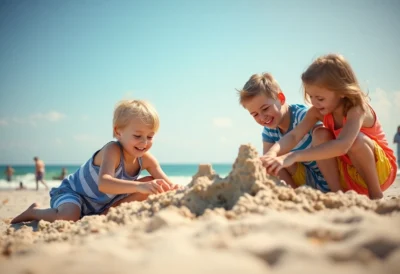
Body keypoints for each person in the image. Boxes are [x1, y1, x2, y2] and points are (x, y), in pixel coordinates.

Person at [12, 99, 179, 224]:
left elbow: (167, 184)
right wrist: (138, 186)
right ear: (118, 132)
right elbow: (104, 183)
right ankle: (35, 212)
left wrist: (177, 189)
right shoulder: (112, 150)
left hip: (104, 204)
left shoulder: (147, 160)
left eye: (150, 137)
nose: (144, 142)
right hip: (74, 194)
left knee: (153, 184)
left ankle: (105, 213)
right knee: (69, 216)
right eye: (137, 136)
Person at [260, 54, 397, 199]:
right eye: (310, 96)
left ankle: (376, 195)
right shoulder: (317, 112)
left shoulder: (357, 109)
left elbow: (343, 145)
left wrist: (294, 156)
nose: (314, 103)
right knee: (319, 134)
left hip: (380, 172)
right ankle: (337, 194)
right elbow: (294, 135)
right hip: (349, 176)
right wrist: (272, 153)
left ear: (342, 92)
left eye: (320, 98)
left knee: (356, 141)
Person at [238, 73, 339, 192]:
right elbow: (268, 159)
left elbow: (325, 137)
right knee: (270, 162)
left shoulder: (302, 115)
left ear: (281, 99)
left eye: (265, 109)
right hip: (309, 180)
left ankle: (337, 191)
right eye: (255, 114)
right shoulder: (269, 131)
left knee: (321, 134)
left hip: (334, 174)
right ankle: (294, 194)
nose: (262, 117)